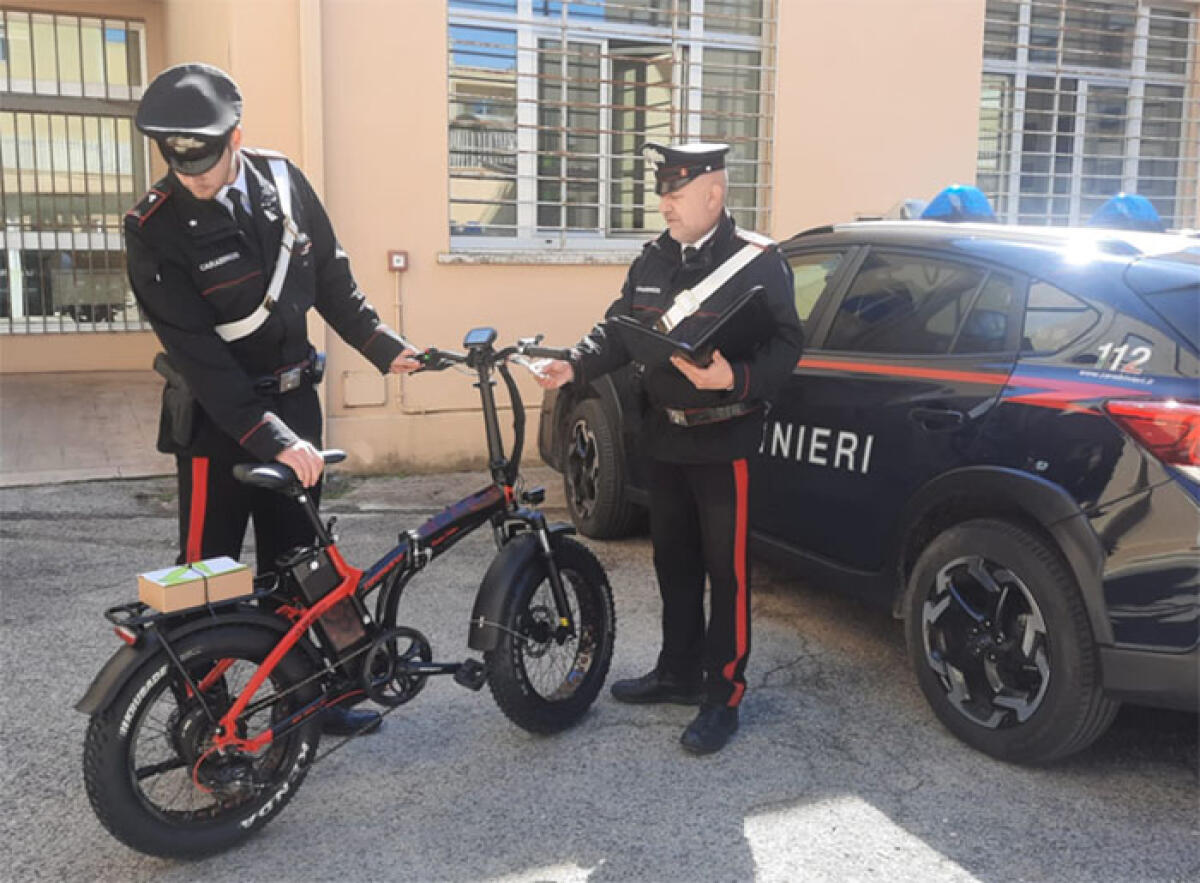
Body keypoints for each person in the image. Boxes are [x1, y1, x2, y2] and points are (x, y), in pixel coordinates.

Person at [125, 63, 421, 736]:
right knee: (209, 573)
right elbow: (201, 358)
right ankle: (209, 717)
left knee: (300, 562)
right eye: (181, 165)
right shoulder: (152, 227)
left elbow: (331, 278)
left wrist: (384, 347)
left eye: (208, 161)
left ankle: (315, 696)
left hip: (295, 403)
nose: (195, 178)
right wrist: (274, 440)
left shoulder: (283, 180)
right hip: (215, 423)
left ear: (237, 137)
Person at [535, 141, 804, 754]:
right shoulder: (654, 259)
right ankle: (677, 671)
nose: (665, 204)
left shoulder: (759, 261)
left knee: (726, 575)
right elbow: (618, 327)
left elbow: (788, 345)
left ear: (715, 193)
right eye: (662, 192)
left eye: (676, 194)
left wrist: (734, 378)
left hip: (725, 436)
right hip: (665, 434)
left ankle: (723, 694)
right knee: (673, 564)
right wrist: (574, 364)